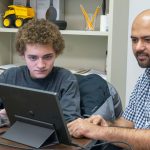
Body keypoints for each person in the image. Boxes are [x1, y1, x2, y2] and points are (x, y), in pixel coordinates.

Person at [68, 9, 150, 150]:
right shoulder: (145, 76)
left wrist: (99, 132)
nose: (138, 47)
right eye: (134, 40)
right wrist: (105, 124)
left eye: (147, 40)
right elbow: (129, 122)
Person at [0, 18, 81, 125]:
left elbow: (70, 123)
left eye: (47, 57)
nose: (41, 65)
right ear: (22, 55)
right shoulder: (10, 76)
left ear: (56, 53)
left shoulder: (66, 80)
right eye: (33, 58)